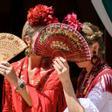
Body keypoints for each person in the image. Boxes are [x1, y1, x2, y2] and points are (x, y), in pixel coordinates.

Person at [1, 4, 66, 112]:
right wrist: (12, 78)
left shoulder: (55, 70)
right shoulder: (13, 69)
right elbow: (7, 107)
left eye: (48, 36)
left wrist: (16, 81)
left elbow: (46, 107)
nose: (46, 41)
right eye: (41, 36)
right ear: (28, 39)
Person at [53, 13, 112, 112]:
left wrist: (66, 81)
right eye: (72, 49)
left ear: (95, 47)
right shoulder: (84, 74)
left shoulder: (106, 77)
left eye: (79, 49)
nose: (73, 54)